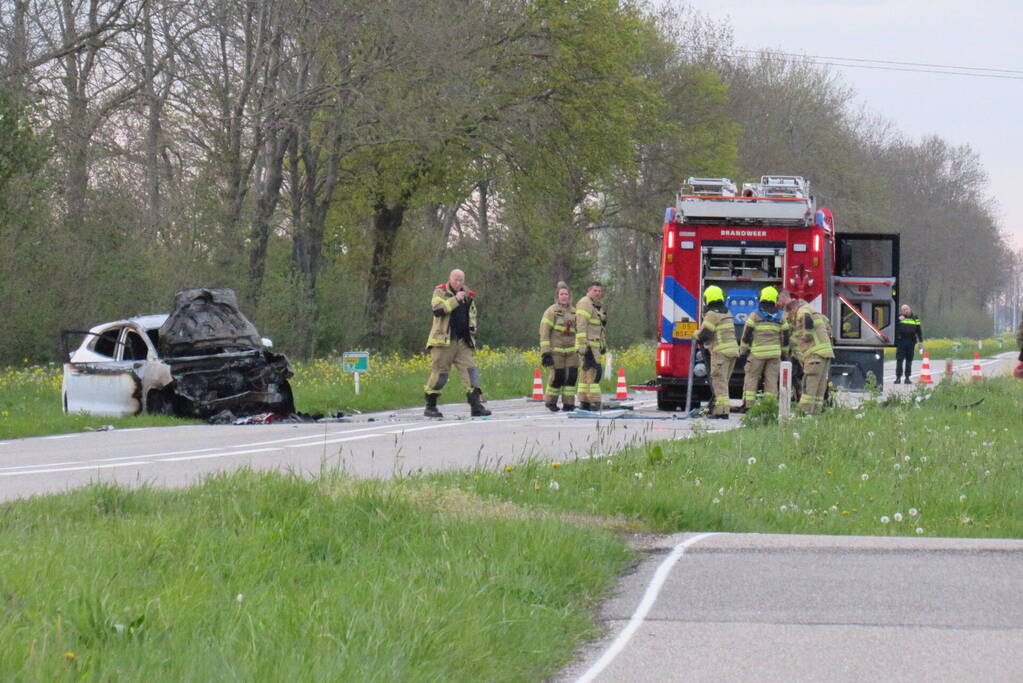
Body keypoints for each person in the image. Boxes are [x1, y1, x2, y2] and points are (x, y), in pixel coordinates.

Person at [423, 269, 491, 418]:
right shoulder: (440, 292)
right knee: (440, 374)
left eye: (461, 280)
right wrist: (456, 300)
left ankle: (476, 406)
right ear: (450, 279)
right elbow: (438, 310)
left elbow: (472, 315)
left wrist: (472, 331)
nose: (458, 283)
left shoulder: (468, 294)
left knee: (471, 371)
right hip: (444, 341)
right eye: (455, 280)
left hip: (463, 340)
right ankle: (431, 406)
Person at [778, 289, 834, 415]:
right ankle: (815, 414)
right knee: (818, 389)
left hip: (814, 355)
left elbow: (807, 322)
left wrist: (805, 336)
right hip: (824, 354)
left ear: (792, 310)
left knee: (809, 387)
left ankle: (802, 414)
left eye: (790, 315)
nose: (791, 319)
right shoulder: (810, 310)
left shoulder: (802, 312)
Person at [738, 286, 788, 410]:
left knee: (751, 378)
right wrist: (785, 354)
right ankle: (770, 407)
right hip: (774, 355)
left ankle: (749, 406)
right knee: (771, 381)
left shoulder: (755, 315)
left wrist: (743, 351)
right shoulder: (781, 317)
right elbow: (786, 337)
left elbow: (746, 335)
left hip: (757, 354)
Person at [695, 285, 739, 419]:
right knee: (723, 382)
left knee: (719, 382)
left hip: (721, 353)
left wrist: (695, 334)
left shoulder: (712, 314)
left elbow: (705, 334)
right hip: (732, 352)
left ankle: (722, 412)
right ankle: (716, 409)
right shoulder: (727, 312)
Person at [538, 282, 578, 412]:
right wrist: (545, 352)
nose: (564, 296)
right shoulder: (551, 311)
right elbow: (544, 332)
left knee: (571, 377)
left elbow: (580, 331)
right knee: (558, 376)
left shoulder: (575, 312)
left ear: (569, 296)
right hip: (556, 351)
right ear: (557, 296)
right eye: (562, 294)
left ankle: (568, 404)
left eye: (566, 294)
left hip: (571, 351)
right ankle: (550, 402)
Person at [575, 281, 607, 411]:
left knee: (585, 373)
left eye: (599, 291)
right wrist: (583, 344)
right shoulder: (585, 303)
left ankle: (584, 401)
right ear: (588, 291)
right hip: (588, 345)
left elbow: (600, 328)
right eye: (595, 291)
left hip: (594, 344)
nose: (597, 293)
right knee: (594, 373)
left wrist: (603, 344)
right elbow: (581, 324)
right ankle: (594, 401)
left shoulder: (596, 305)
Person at [894, 304, 924, 383]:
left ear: (910, 309)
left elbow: (919, 330)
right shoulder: (899, 317)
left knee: (909, 359)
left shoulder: (915, 318)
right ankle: (898, 377)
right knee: (899, 359)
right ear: (901, 311)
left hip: (911, 341)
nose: (905, 311)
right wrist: (898, 319)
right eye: (903, 310)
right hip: (901, 341)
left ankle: (907, 377)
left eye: (906, 309)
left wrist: (920, 341)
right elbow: (893, 325)